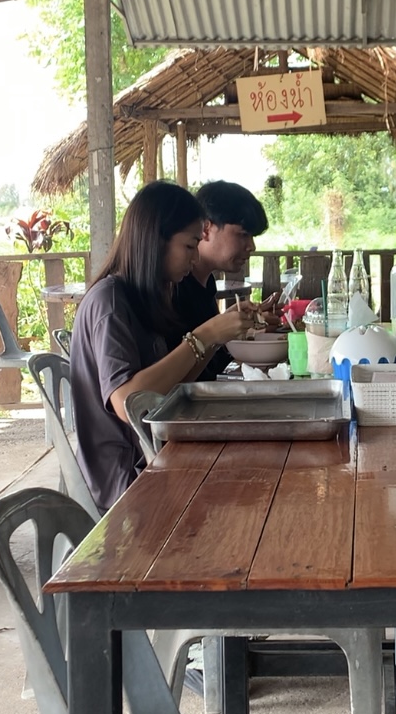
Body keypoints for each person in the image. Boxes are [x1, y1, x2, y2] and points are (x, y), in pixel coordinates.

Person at [71, 181, 257, 513]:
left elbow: (174, 388)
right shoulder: (111, 300)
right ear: (156, 240)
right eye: (189, 245)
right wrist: (204, 335)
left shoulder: (151, 294)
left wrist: (217, 337)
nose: (195, 255)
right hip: (130, 477)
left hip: (157, 452)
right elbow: (130, 403)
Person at [168, 180, 273, 379]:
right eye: (243, 234)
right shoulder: (173, 287)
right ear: (205, 229)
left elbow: (209, 361)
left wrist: (247, 329)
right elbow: (176, 380)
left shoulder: (206, 283)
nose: (251, 246)